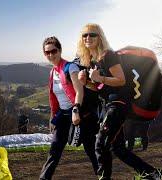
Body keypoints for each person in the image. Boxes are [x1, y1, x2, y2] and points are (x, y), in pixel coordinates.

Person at [77, 23, 161, 180]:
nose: (88, 38)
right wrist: (86, 83)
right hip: (106, 105)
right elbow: (101, 87)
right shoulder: (92, 60)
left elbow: (120, 80)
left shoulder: (108, 55)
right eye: (85, 35)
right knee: (118, 148)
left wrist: (98, 77)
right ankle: (154, 174)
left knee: (100, 145)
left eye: (92, 34)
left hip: (117, 104)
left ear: (99, 37)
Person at [39, 36, 99, 180]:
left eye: (53, 51)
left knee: (90, 149)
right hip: (63, 116)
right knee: (54, 149)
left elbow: (79, 91)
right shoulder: (52, 72)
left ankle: (103, 176)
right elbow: (53, 97)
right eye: (47, 52)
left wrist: (76, 110)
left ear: (59, 51)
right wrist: (52, 118)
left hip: (79, 113)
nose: (50, 55)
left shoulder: (70, 67)